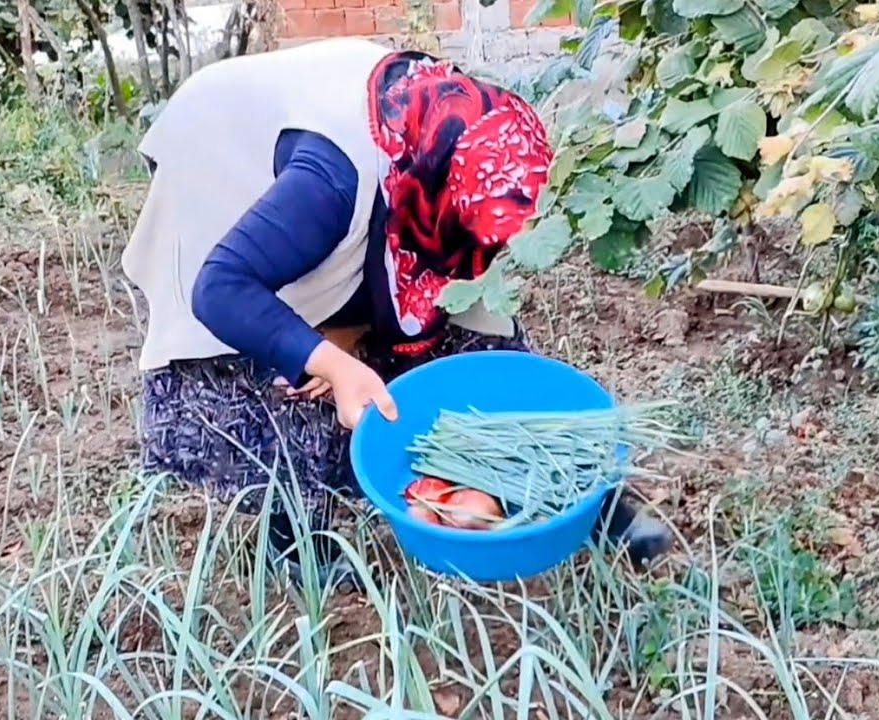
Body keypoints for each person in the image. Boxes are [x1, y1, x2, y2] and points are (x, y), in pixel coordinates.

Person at [122, 37, 671, 583]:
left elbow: (420, 262)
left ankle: (598, 505)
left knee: (483, 344)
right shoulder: (330, 184)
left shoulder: (456, 135)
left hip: (355, 168)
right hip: (223, 157)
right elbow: (220, 289)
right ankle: (292, 545)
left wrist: (354, 324)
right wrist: (331, 363)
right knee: (290, 374)